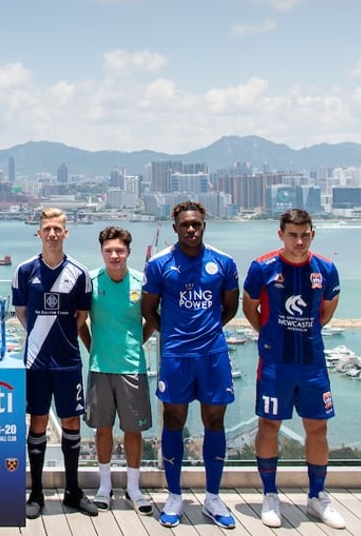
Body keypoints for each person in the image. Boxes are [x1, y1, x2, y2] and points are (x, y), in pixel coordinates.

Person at [242, 209, 346, 530]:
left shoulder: (326, 269)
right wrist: (272, 335)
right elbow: (250, 307)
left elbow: (325, 313)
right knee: (269, 426)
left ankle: (317, 496)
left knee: (318, 429)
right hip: (274, 364)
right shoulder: (263, 267)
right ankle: (270, 494)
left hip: (312, 364)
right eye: (292, 235)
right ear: (281, 235)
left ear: (312, 234)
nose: (299, 242)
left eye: (305, 235)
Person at [141, 201, 239, 529]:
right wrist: (174, 335)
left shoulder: (223, 262)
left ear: (204, 225)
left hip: (212, 355)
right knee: (173, 419)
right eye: (185, 225)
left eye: (196, 224)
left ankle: (213, 498)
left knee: (214, 420)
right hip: (176, 356)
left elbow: (230, 308)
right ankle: (174, 495)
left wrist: (206, 333)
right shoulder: (159, 264)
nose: (191, 229)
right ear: (175, 227)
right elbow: (149, 310)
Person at [14, 207, 98, 519]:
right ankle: (36, 492)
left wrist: (58, 337)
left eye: (57, 229)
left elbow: (81, 317)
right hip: (35, 362)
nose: (52, 234)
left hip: (67, 361)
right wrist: (40, 335)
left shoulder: (80, 273)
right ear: (39, 233)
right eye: (47, 228)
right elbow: (21, 312)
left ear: (65, 233)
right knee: (37, 422)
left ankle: (73, 491)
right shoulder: (24, 271)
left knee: (72, 423)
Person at [78, 226, 154, 514]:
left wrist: (135, 345)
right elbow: (81, 322)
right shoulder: (92, 282)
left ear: (128, 252)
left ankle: (134, 488)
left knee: (134, 430)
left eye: (119, 250)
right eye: (109, 250)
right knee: (102, 429)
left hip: (133, 368)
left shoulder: (141, 282)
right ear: (101, 252)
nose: (114, 255)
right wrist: (93, 348)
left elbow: (150, 320)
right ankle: (104, 486)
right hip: (100, 367)